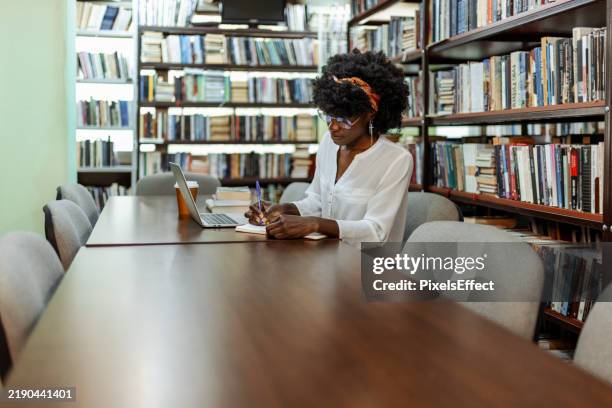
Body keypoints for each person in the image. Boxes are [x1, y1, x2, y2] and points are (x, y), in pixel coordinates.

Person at [246, 49, 413, 244]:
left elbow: (376, 231)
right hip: (327, 253)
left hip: (366, 265)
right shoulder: (329, 143)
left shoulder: (396, 160)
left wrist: (316, 224)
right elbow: (317, 200)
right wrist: (283, 209)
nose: (333, 127)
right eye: (329, 116)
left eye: (344, 119)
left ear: (370, 114)